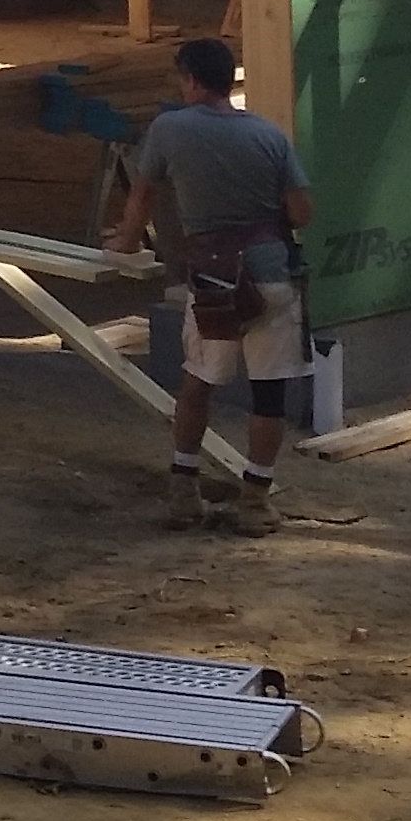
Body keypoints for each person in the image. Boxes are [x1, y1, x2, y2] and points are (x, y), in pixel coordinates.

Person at [109, 35, 315, 534]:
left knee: (198, 381)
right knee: (269, 393)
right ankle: (255, 501)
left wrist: (126, 242)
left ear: (193, 81)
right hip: (271, 276)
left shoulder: (169, 128)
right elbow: (301, 212)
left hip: (214, 282)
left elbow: (142, 196)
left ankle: (184, 490)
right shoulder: (269, 135)